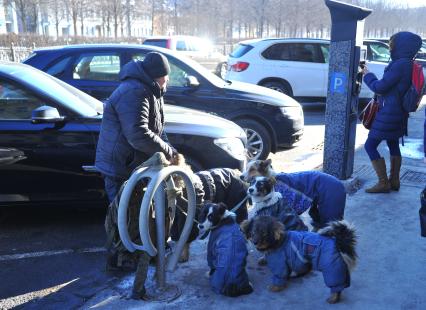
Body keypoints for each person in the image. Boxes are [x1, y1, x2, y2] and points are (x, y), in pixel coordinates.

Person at [95, 52, 176, 202]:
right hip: (120, 168)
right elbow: (138, 134)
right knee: (123, 219)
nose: (167, 80)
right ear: (157, 75)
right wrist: (167, 151)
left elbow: (157, 129)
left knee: (139, 217)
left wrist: (171, 151)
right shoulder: (135, 91)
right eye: (165, 75)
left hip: (131, 165)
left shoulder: (152, 89)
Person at [362, 31, 422, 193]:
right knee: (393, 143)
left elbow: (380, 87)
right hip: (400, 113)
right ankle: (394, 181)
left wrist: (368, 76)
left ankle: (383, 183)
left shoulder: (399, 65)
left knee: (370, 145)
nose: (390, 47)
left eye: (392, 44)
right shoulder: (409, 63)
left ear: (401, 46)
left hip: (389, 113)